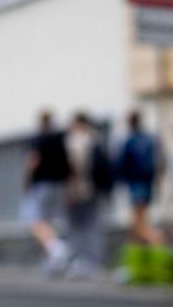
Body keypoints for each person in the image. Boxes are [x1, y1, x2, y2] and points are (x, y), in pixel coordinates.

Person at [21, 110, 71, 277]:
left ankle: (56, 247)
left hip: (41, 184)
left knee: (35, 220)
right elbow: (68, 163)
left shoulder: (38, 139)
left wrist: (26, 182)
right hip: (58, 185)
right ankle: (51, 263)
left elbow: (32, 161)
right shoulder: (59, 139)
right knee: (48, 223)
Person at [64, 112, 113, 279]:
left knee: (79, 227)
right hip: (92, 190)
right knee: (91, 226)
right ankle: (92, 263)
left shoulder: (75, 141)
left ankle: (81, 262)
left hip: (79, 191)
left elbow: (73, 167)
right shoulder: (96, 140)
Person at [117, 110, 164, 245]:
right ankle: (140, 249)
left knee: (138, 221)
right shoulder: (149, 139)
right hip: (148, 183)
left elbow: (122, 165)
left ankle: (157, 241)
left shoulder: (130, 141)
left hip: (136, 183)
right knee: (138, 219)